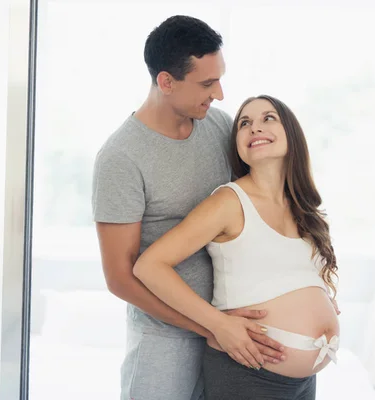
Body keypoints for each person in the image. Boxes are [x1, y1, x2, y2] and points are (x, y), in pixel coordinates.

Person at [92, 16, 284, 400]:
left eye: (220, 78)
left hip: (229, 330)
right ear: (166, 82)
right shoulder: (121, 158)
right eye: (207, 83)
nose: (221, 93)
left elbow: (261, 207)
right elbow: (120, 277)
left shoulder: (219, 126)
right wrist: (210, 325)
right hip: (166, 341)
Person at [133, 94, 341, 400]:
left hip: (303, 383)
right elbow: (149, 266)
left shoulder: (303, 208)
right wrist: (218, 324)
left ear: (292, 134)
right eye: (245, 123)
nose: (255, 128)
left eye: (268, 118)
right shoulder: (229, 202)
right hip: (249, 373)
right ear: (238, 145)